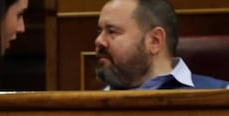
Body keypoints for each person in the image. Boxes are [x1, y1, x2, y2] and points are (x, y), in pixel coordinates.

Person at [94, 0, 229, 90]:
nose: (99, 40)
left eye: (112, 31)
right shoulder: (89, 107)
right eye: (100, 31)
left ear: (155, 41)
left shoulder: (222, 95)